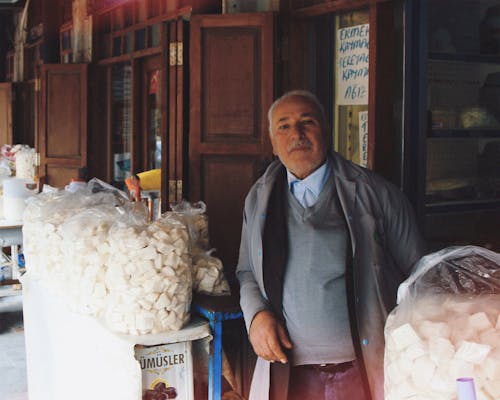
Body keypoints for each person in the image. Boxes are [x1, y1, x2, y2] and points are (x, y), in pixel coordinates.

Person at [236, 90, 425, 400]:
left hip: (362, 370)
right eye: (283, 126)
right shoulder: (259, 198)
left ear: (326, 130)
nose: (296, 134)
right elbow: (247, 273)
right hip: (290, 372)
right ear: (273, 141)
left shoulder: (377, 194)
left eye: (306, 122)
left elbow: (420, 279)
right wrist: (256, 316)